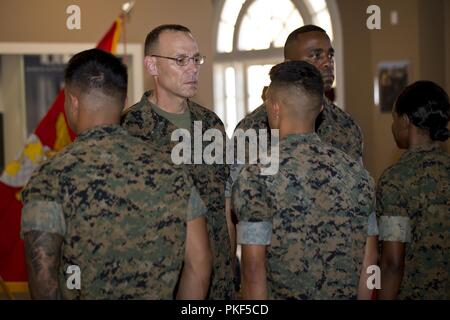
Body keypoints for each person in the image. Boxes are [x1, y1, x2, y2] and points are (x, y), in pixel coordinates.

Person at [21, 48, 212, 299]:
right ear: (123, 102)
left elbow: (42, 275)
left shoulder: (50, 177)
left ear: (73, 101)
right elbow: (199, 265)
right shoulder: (172, 171)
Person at [233, 60, 378, 299]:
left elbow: (253, 270)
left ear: (275, 107)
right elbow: (371, 261)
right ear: (321, 108)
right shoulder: (358, 175)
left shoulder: (255, 176)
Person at [121, 24, 234, 299]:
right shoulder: (129, 128)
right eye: (181, 60)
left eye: (196, 59)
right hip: (159, 279)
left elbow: (226, 201)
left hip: (218, 281)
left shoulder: (211, 124)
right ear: (152, 66)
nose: (193, 68)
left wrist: (229, 265)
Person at [377, 81, 450, 300]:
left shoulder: (396, 180)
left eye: (394, 119)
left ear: (406, 121)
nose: (392, 127)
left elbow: (393, 262)